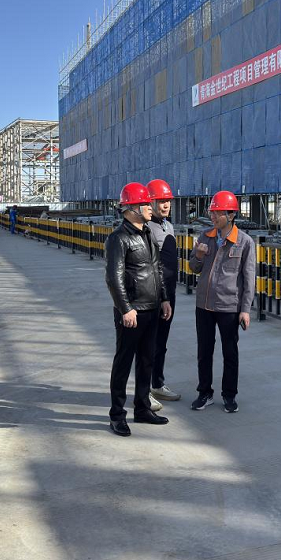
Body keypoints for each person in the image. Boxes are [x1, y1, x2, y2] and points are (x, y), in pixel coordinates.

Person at [105, 182, 173, 436]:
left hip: (152, 308)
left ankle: (142, 408)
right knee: (123, 363)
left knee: (146, 361)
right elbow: (114, 278)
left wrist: (164, 299)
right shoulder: (118, 239)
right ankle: (117, 415)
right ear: (132, 208)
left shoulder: (147, 234)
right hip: (132, 313)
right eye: (145, 203)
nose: (150, 207)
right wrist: (125, 308)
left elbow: (157, 269)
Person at [188, 190, 255, 413]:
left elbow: (249, 278)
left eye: (218, 213)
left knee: (230, 352)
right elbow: (193, 268)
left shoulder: (244, 242)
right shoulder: (204, 237)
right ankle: (204, 392)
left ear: (231, 214)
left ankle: (229, 395)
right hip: (204, 305)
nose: (213, 216)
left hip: (229, 307)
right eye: (212, 212)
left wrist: (245, 310)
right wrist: (198, 255)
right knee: (204, 351)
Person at [147, 179, 180, 403]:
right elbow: (150, 265)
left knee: (161, 342)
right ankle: (145, 391)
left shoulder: (168, 226)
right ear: (151, 202)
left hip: (170, 292)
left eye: (168, 200)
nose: (166, 204)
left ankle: (157, 384)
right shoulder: (147, 228)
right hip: (154, 294)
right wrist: (161, 296)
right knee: (149, 343)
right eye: (161, 201)